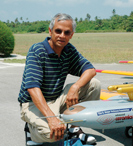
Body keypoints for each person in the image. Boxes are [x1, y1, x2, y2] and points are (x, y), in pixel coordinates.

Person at [18, 13, 101, 145]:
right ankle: (31, 129)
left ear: (71, 35)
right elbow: (33, 88)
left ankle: (74, 128)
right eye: (58, 31)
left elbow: (90, 70)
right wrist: (51, 119)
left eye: (66, 32)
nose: (62, 35)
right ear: (50, 31)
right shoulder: (37, 50)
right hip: (33, 103)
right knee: (53, 136)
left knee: (94, 85)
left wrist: (75, 87)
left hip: (56, 99)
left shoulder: (68, 50)